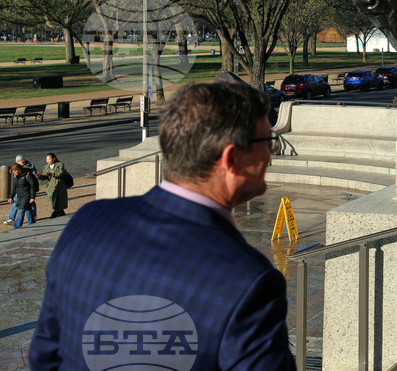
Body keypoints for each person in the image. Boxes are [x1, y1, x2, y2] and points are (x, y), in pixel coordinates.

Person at [30, 82, 295, 370]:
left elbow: (45, 356)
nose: (271, 153)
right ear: (230, 159)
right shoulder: (251, 282)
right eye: (267, 142)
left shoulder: (88, 220)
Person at [42, 154, 68, 218]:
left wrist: (51, 173)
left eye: (49, 159)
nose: (47, 161)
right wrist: (40, 176)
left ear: (54, 158)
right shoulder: (46, 167)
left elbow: (60, 173)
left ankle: (55, 213)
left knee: (59, 200)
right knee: (52, 199)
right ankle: (57, 212)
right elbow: (44, 176)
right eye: (46, 159)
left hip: (59, 185)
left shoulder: (60, 164)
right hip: (51, 186)